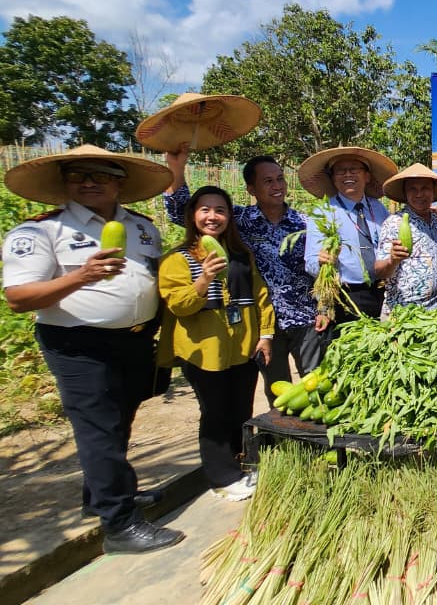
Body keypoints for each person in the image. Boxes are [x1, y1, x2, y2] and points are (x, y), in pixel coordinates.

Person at [2, 145, 183, 554]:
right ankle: (119, 526)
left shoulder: (141, 228)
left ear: (119, 182)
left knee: (118, 422)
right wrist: (82, 275)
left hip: (134, 339)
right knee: (98, 430)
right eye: (78, 176)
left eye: (99, 175)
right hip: (78, 344)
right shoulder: (42, 231)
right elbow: (19, 297)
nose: (88, 182)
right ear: (64, 183)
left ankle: (100, 497)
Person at [163, 144, 322, 391]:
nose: (277, 186)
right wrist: (177, 168)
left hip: (306, 319)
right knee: (279, 393)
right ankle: (281, 431)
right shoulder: (239, 220)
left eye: (280, 179)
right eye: (268, 181)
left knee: (318, 387)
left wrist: (324, 307)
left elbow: (320, 270)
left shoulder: (305, 222)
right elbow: (180, 212)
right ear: (251, 189)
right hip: (263, 325)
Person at [157, 186, 274, 502]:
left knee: (241, 408)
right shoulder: (177, 259)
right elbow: (179, 304)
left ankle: (242, 465)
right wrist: (204, 278)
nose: (213, 216)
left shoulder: (239, 254)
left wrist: (265, 335)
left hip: (243, 348)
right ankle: (221, 477)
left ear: (229, 217)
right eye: (205, 210)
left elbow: (260, 296)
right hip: (204, 351)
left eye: (220, 210)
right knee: (215, 413)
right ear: (192, 216)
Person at [299, 147, 398, 326]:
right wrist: (321, 261)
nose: (347, 175)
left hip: (382, 292)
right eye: (340, 171)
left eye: (354, 170)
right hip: (345, 297)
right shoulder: (323, 211)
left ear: (367, 176)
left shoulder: (378, 208)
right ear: (332, 178)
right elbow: (310, 262)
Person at [373, 163, 437, 316]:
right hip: (402, 312)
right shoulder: (394, 223)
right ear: (405, 193)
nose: (419, 194)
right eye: (412, 189)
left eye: (425, 188)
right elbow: (379, 271)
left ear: (434, 191)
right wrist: (392, 260)